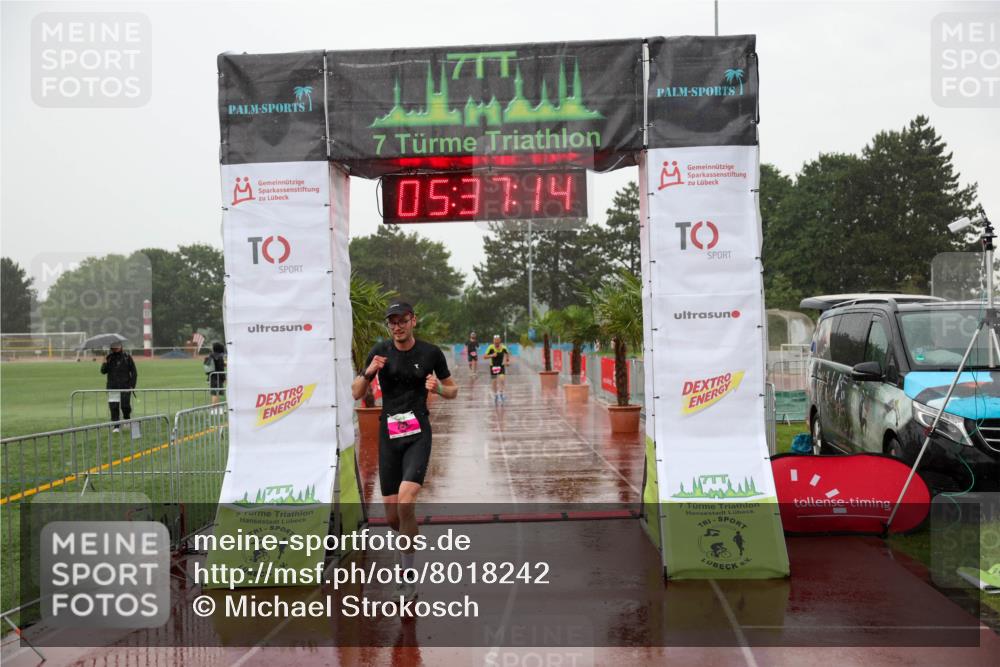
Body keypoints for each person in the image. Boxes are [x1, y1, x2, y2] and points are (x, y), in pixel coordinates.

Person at [351, 302, 458, 600]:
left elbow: (453, 390)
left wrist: (438, 389)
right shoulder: (380, 351)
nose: (397, 327)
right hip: (389, 436)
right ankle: (406, 548)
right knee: (392, 517)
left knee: (406, 501)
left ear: (413, 321)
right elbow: (356, 392)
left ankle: (408, 577)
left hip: (418, 434)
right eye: (392, 322)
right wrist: (368, 372)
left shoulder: (430, 353)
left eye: (402, 321)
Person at [100, 341, 137, 432]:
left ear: (121, 346)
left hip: (125, 386)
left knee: (125, 406)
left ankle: (127, 418)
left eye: (117, 346)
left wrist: (132, 385)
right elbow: (103, 371)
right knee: (114, 407)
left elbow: (134, 372)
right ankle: (116, 426)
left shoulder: (127, 357)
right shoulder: (109, 357)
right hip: (112, 386)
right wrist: (104, 362)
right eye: (114, 346)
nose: (116, 348)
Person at [484, 334, 510, 405]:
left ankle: (501, 394)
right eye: (495, 342)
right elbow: (484, 356)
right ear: (493, 341)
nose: (496, 343)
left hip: (501, 366)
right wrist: (492, 355)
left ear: (500, 340)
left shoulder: (503, 347)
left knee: (502, 379)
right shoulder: (490, 347)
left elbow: (507, 354)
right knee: (494, 381)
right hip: (493, 366)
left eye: (497, 341)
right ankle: (495, 395)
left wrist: (507, 361)